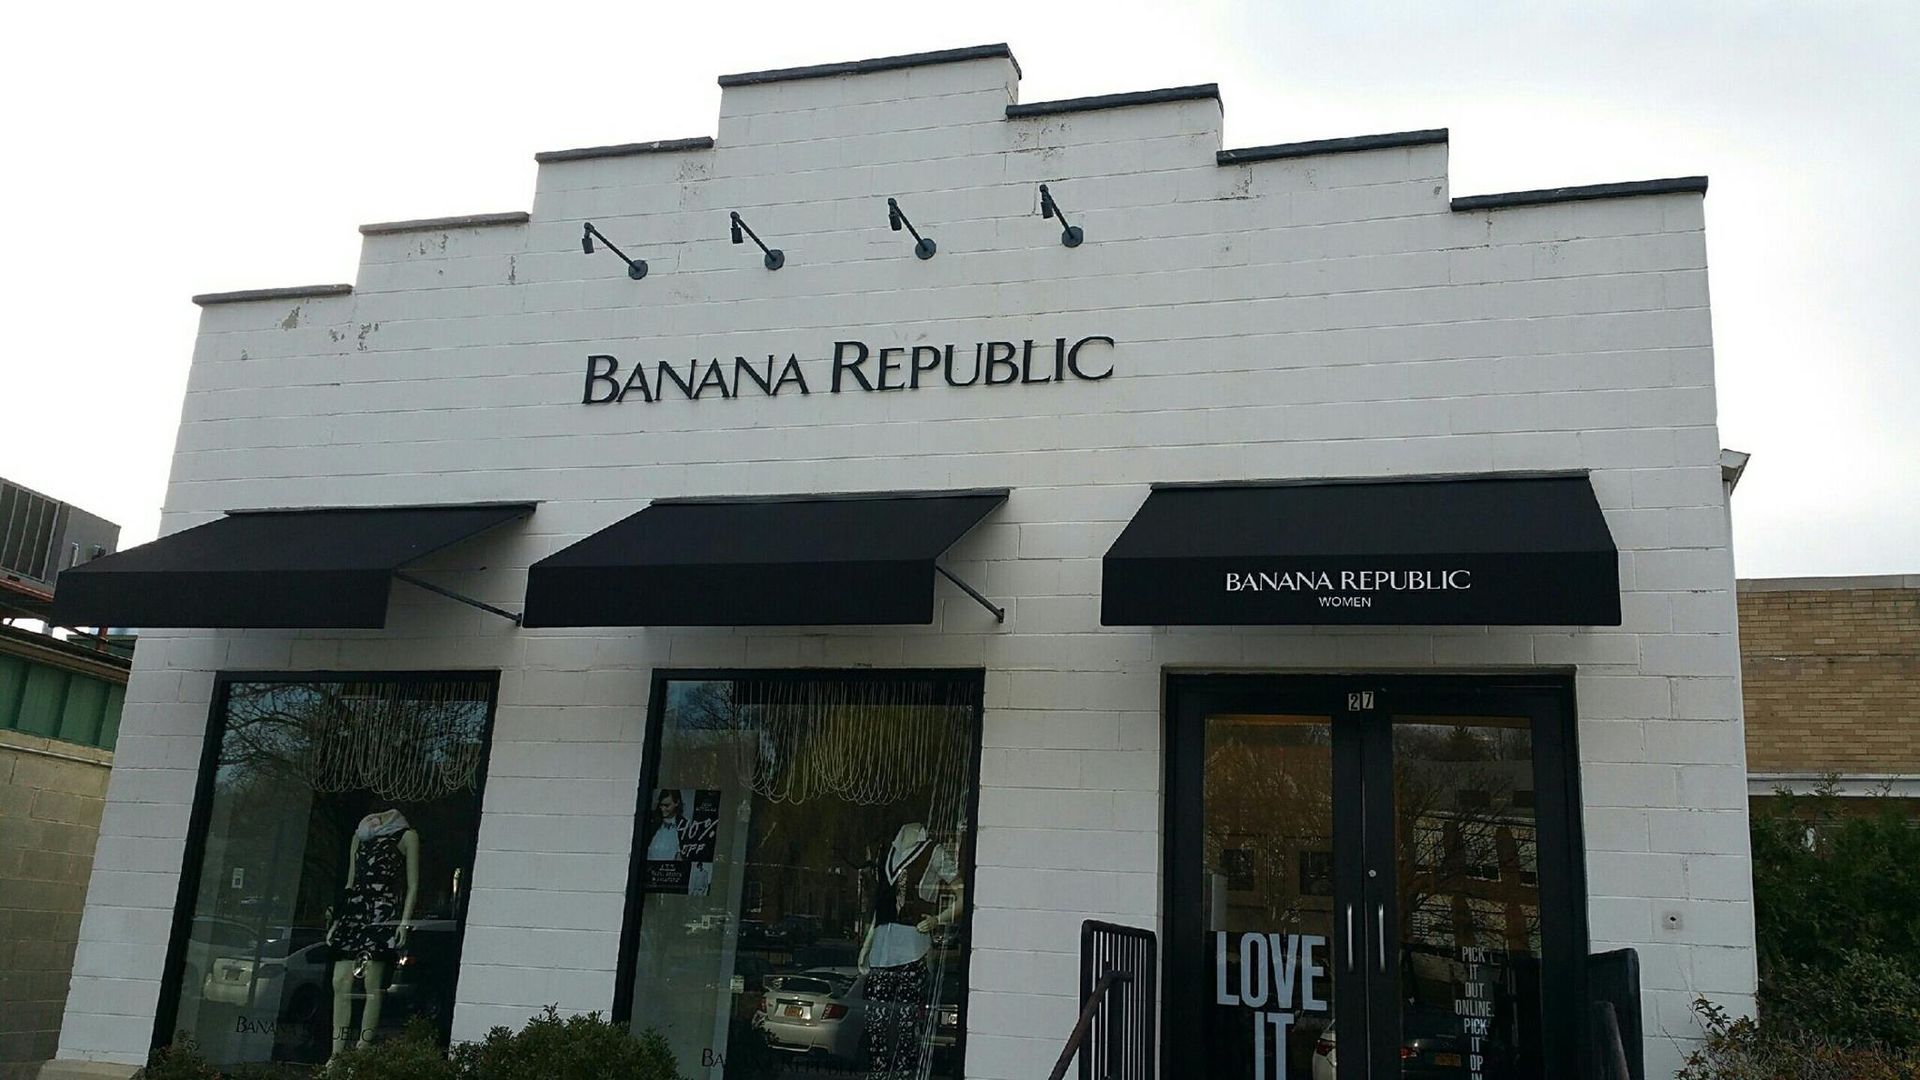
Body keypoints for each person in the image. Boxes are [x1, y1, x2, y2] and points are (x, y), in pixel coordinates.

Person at [647, 789, 685, 861]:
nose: (663, 809)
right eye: (661, 805)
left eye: (667, 805)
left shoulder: (683, 826)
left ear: (676, 803)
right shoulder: (651, 822)